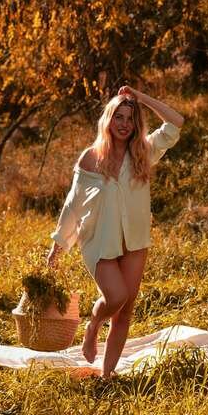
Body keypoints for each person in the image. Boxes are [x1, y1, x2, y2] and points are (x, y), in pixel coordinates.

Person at [47, 85, 184, 378]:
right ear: (108, 120)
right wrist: (58, 246)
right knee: (116, 297)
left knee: (125, 312)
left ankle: (107, 375)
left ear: (136, 123)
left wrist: (140, 98)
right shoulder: (91, 157)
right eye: (118, 117)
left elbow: (175, 122)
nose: (124, 124)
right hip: (99, 241)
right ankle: (93, 325)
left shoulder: (144, 152)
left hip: (134, 242)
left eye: (130, 118)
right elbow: (73, 204)